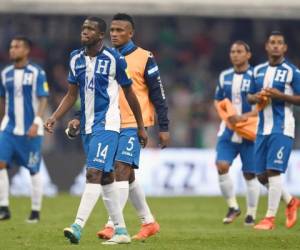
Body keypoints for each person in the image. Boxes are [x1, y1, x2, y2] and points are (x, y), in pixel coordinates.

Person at [44, 16, 147, 245]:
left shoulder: (114, 58)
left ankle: (77, 225)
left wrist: (140, 126)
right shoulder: (75, 58)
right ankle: (120, 231)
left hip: (108, 125)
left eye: (90, 29)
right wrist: (55, 117)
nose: (85, 31)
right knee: (107, 177)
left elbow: (130, 93)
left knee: (93, 174)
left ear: (101, 35)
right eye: (83, 28)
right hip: (88, 126)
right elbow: (72, 94)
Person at [67, 13, 169, 241]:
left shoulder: (144, 57)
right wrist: (78, 115)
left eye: (120, 30)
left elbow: (158, 94)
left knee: (121, 169)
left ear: (131, 33)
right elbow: (88, 92)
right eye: (112, 30)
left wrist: (164, 126)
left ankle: (113, 225)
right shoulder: (101, 56)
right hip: (107, 122)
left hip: (133, 123)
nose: (115, 34)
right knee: (123, 174)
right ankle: (148, 221)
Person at [248, 31, 300, 230]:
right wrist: (257, 97)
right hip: (262, 128)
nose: (276, 46)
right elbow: (250, 97)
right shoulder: (258, 71)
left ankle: (269, 218)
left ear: (285, 48)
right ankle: (290, 202)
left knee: (273, 170)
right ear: (267, 47)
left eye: (280, 43)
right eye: (273, 43)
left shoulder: (292, 71)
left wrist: (281, 96)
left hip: (282, 127)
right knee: (261, 175)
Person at [0, 36, 49, 223]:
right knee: (1, 163)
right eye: (11, 46)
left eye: (17, 47)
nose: (12, 50)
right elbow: (3, 98)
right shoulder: (5, 73)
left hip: (31, 130)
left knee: (33, 170)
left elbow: (43, 97)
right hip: (9, 128)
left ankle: (35, 211)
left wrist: (37, 121)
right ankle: (4, 207)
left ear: (26, 50)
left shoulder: (37, 72)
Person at [214, 41, 260, 226]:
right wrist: (228, 117)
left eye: (239, 51)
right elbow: (217, 101)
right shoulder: (224, 76)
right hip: (228, 130)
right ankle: (233, 206)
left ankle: (251, 213)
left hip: (250, 130)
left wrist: (243, 117)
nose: (235, 54)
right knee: (222, 165)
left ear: (248, 55)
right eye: (232, 51)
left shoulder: (257, 76)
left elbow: (263, 105)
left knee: (250, 173)